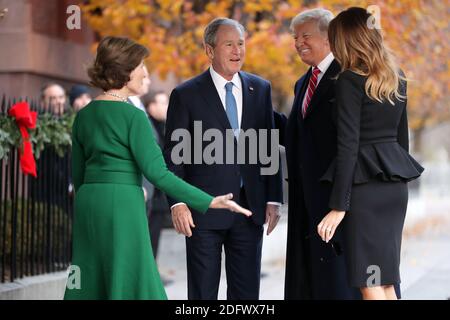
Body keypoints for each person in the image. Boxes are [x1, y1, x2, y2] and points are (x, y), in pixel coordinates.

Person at [64, 36, 252, 300]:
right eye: (141, 66)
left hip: (89, 202)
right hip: (123, 203)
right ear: (125, 71)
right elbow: (159, 174)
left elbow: (78, 174)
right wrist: (208, 200)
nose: (146, 73)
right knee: (133, 274)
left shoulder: (84, 115)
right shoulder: (134, 116)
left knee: (90, 273)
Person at [163, 18, 283, 300]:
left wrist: (273, 198)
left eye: (241, 44)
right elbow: (173, 156)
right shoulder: (186, 94)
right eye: (229, 44)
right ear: (209, 50)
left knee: (246, 294)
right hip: (202, 211)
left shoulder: (260, 89)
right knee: (203, 294)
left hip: (249, 209)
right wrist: (178, 202)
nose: (237, 51)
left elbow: (268, 144)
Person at [319, 7, 424, 300]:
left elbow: (348, 146)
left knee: (370, 279)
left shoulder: (348, 82)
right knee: (385, 278)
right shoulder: (397, 77)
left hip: (365, 192)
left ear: (346, 41)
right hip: (393, 190)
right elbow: (401, 141)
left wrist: (339, 206)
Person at [282, 8, 360, 300]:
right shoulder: (303, 82)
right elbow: (299, 131)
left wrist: (342, 202)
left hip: (337, 198)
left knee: (341, 281)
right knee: (313, 280)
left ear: (328, 37)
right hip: (306, 198)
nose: (298, 43)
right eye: (295, 38)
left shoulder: (348, 76)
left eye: (305, 36)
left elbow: (351, 142)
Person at [142, 90, 170, 258]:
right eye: (163, 102)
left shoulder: (164, 126)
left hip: (160, 195)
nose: (167, 107)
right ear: (151, 106)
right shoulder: (147, 125)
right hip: (150, 192)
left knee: (154, 237)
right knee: (148, 237)